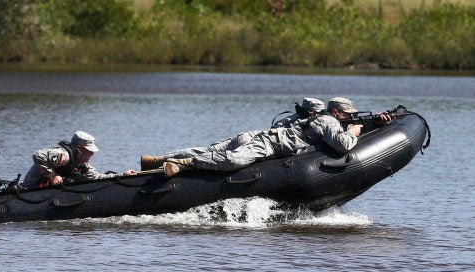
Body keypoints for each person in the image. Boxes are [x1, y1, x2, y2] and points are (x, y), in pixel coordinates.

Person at [141, 97, 391, 177]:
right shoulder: (328, 121)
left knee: (212, 151)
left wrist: (374, 122)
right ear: (337, 112)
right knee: (231, 162)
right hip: (268, 143)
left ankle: (159, 159)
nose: (350, 118)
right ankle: (183, 164)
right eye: (348, 115)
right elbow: (343, 144)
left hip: (258, 135)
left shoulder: (317, 118)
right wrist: (352, 131)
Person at [22, 131, 137, 188]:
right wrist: (52, 176)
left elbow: (97, 177)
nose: (92, 153)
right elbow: (38, 155)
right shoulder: (63, 155)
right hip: (31, 189)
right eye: (89, 150)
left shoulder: (83, 164)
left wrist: (123, 175)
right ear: (78, 148)